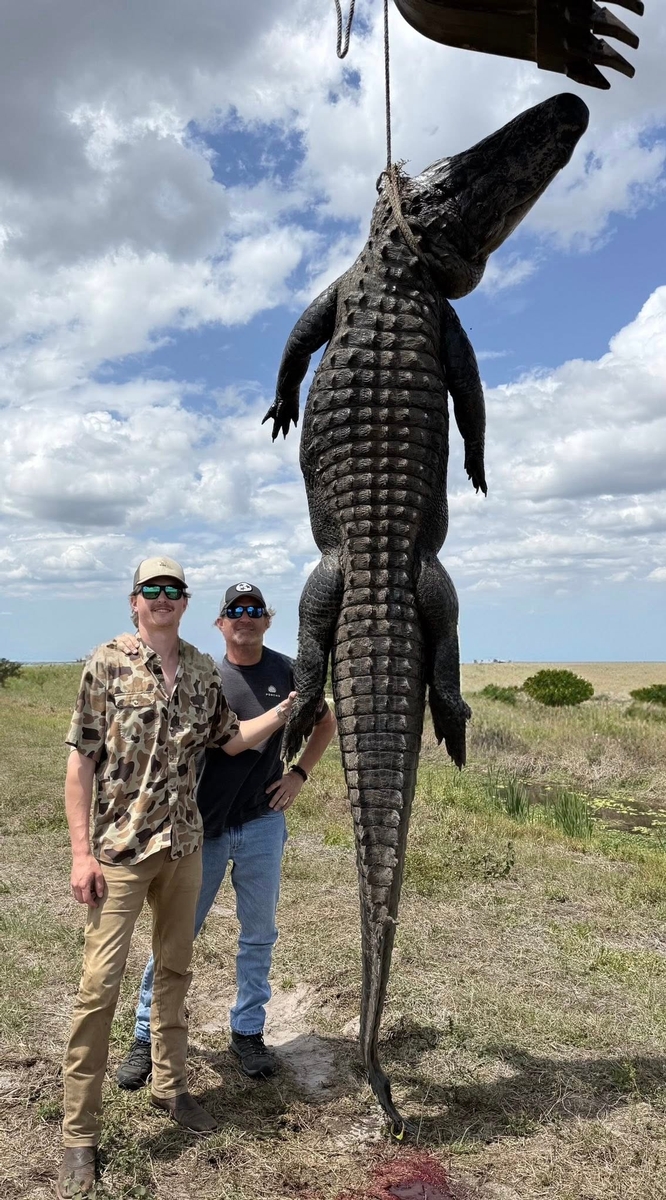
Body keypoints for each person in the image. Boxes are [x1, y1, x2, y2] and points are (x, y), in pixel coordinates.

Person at [58, 559, 296, 1200]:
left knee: (175, 972)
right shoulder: (105, 663)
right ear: (135, 601)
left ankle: (172, 1088)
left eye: (173, 590)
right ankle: (79, 1133)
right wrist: (82, 855)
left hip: (185, 846)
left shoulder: (198, 669)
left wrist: (287, 712)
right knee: (100, 987)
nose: (163, 599)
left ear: (186, 603)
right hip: (121, 852)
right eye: (152, 590)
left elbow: (231, 739)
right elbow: (80, 766)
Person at [115, 581, 336, 1089]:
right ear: (219, 623)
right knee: (177, 934)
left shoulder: (290, 673)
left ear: (266, 619)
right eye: (234, 610)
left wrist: (299, 773)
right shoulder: (205, 674)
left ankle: (248, 1031)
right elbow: (229, 742)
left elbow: (323, 723)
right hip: (203, 828)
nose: (245, 617)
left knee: (258, 934)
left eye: (254, 609)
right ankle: (146, 1034)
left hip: (262, 823)